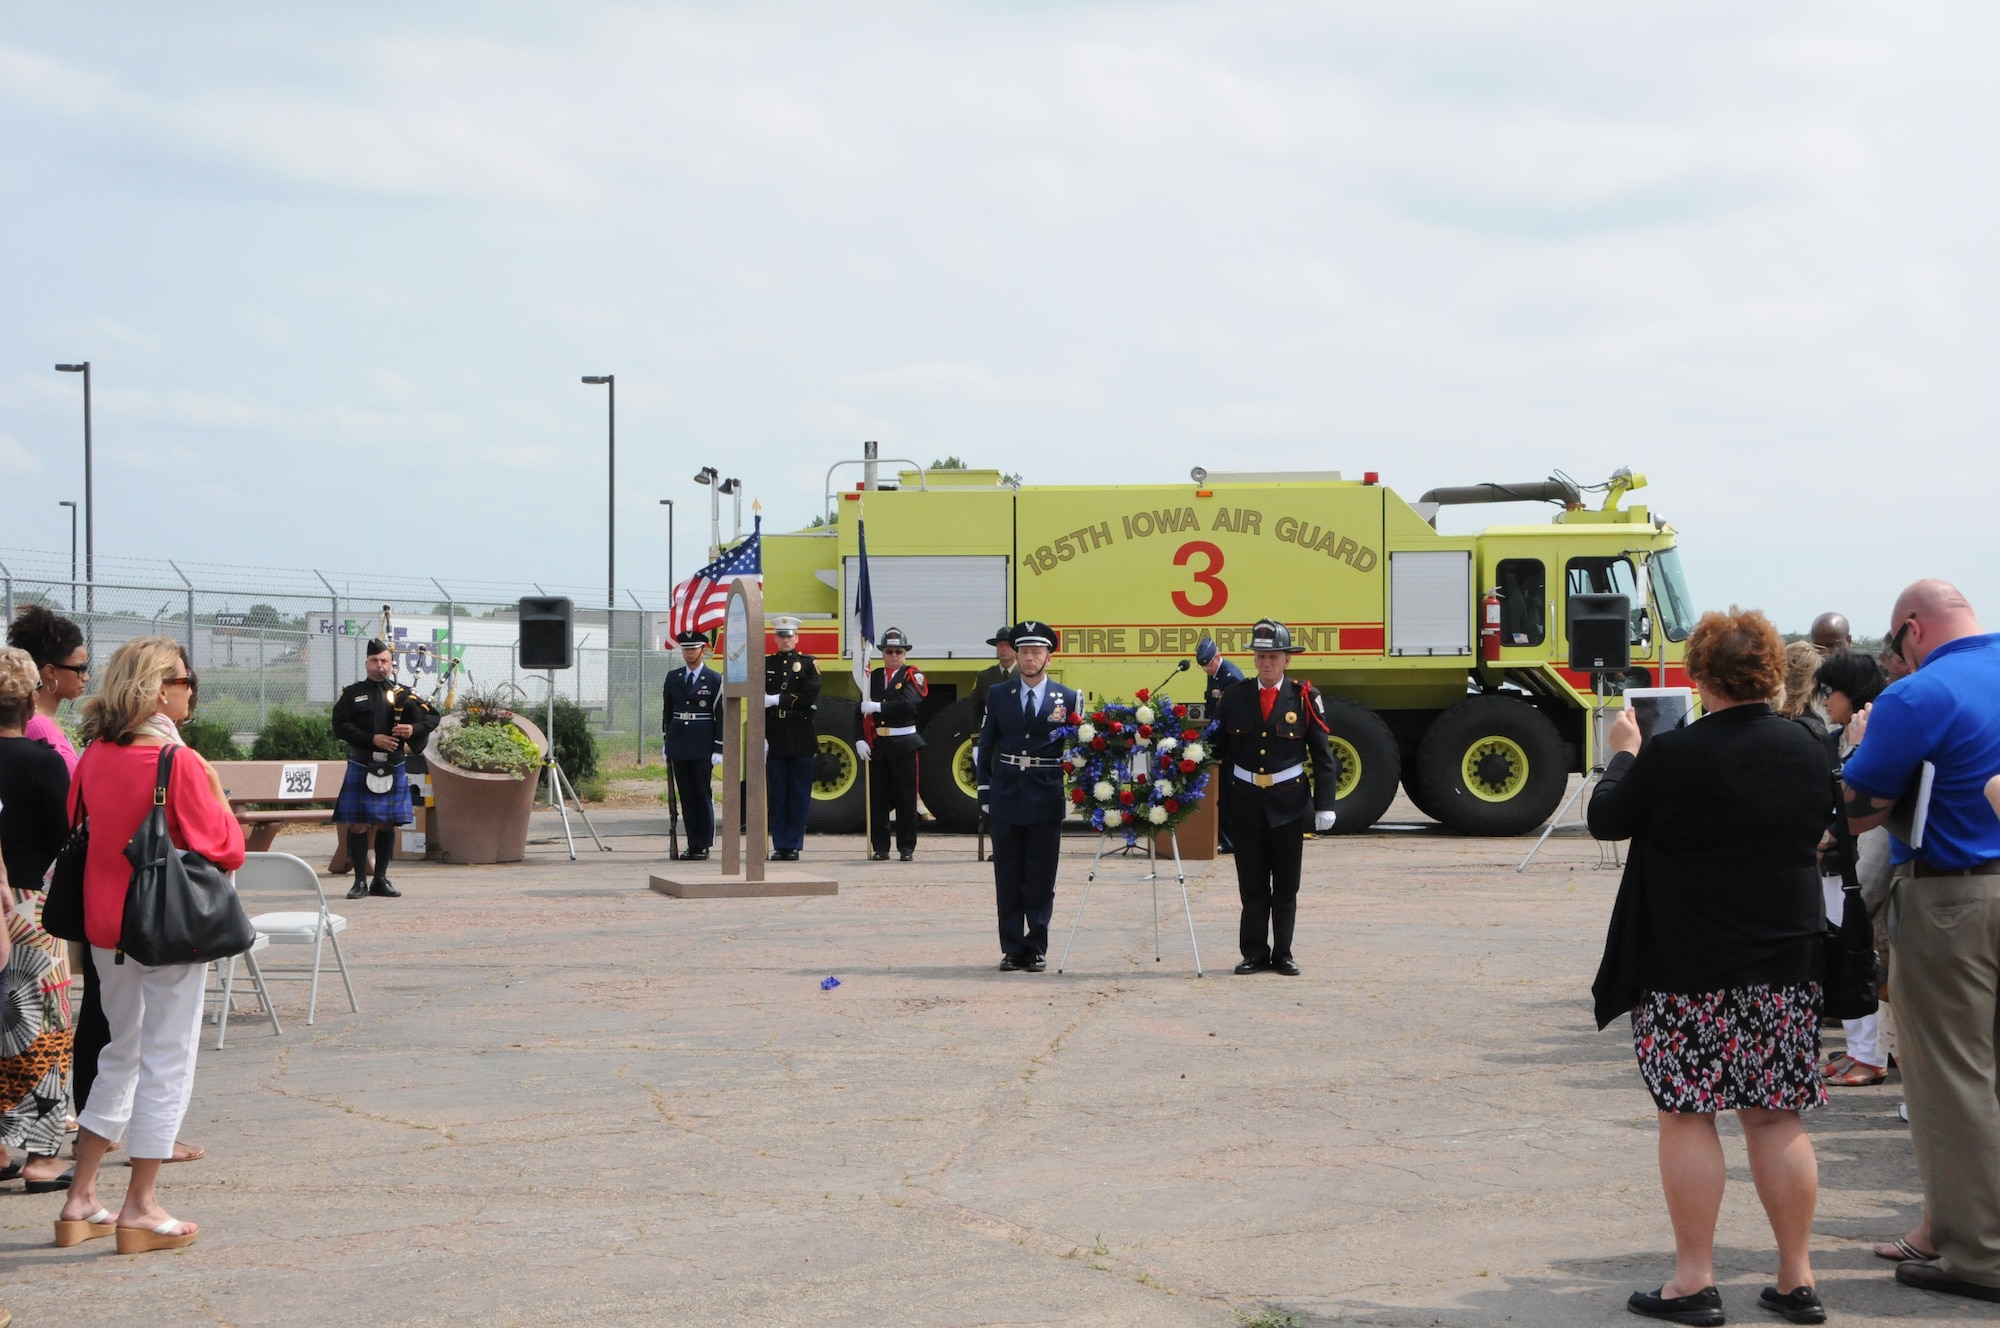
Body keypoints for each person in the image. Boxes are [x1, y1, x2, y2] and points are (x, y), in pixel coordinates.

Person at [1587, 607, 1831, 1325]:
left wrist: (1625, 751)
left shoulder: (1674, 753)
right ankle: (1797, 1276)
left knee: (1688, 1114)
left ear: (1699, 676)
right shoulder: (1808, 750)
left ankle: (1695, 1279)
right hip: (1785, 959)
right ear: (1769, 673)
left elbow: (1608, 819)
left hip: (1687, 962)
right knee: (1775, 1116)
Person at [57, 636, 246, 1253]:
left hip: (104, 926)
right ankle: (141, 1204)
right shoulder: (179, 762)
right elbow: (227, 847)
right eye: (187, 680)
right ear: (162, 688)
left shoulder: (92, 756)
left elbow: (77, 820)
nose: (192, 690)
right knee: (169, 1057)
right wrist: (206, 774)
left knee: (120, 1053)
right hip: (165, 929)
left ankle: (81, 1197)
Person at [1841, 579, 2000, 1304]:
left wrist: (1853, 755)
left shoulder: (1916, 696)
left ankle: (1979, 1252)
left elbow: (1861, 807)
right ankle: (1951, 1226)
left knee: (1951, 1081)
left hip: (1950, 895)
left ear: (1912, 628)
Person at [1208, 620, 1337, 977]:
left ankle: (1283, 952)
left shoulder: (1303, 697)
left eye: (1273, 657)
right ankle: (1253, 952)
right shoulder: (1235, 696)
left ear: (1286, 660)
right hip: (1246, 802)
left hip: (1288, 804)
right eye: (1261, 656)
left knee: (1285, 885)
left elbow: (1323, 756)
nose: (1266, 663)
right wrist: (1182, 758)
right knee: (1251, 885)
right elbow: (1215, 745)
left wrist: (1326, 805)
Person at [0, 647, 74, 1192]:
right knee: (46, 1027)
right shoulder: (41, 763)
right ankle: (43, 1156)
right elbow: (65, 840)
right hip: (28, 905)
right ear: (31, 701)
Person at [974, 622, 1079, 971]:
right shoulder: (999, 694)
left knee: (1040, 875)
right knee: (1007, 873)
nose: (1030, 658)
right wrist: (985, 789)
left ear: (1049, 656)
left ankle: (1036, 945)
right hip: (1006, 792)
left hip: (1045, 794)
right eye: (1024, 652)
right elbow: (986, 744)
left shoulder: (1067, 697)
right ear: (1016, 655)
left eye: (1037, 652)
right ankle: (1011, 948)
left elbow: (1076, 748)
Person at [1813, 649, 1892, 1088]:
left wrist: (1826, 835)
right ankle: (1863, 1049)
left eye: (1831, 692)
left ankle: (1871, 1055)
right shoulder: (1836, 735)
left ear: (1854, 692)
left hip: (1862, 867)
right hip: (1835, 867)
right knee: (1848, 956)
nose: (1825, 700)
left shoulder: (1874, 733)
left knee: (1861, 956)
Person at [330, 640, 438, 900]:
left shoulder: (404, 694)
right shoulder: (352, 694)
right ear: (367, 663)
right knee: (357, 825)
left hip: (393, 764)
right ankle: (359, 882)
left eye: (384, 661)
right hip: (362, 762)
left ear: (391, 664)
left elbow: (433, 716)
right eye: (374, 661)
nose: (380, 666)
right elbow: (340, 726)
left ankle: (380, 879)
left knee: (388, 823)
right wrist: (372, 739)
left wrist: (413, 730)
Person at [860, 627, 926, 862]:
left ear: (905, 653)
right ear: (882, 653)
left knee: (905, 797)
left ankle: (906, 847)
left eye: (899, 651)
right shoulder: (873, 677)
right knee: (878, 797)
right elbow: (859, 708)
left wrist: (879, 707)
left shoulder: (913, 675)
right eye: (889, 651)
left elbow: (909, 702)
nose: (894, 655)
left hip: (904, 742)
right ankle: (880, 846)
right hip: (879, 743)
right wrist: (860, 737)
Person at [763, 616, 821, 862]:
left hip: (800, 732)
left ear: (796, 638)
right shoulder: (766, 664)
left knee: (798, 793)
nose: (785, 640)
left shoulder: (808, 664)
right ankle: (780, 844)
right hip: (775, 732)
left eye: (789, 636)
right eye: (781, 636)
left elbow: (809, 695)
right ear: (775, 638)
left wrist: (778, 699)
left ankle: (794, 844)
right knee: (777, 793)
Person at [663, 630, 723, 861]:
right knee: (686, 796)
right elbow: (668, 712)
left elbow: (720, 715)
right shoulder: (674, 677)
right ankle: (692, 842)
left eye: (693, 648)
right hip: (679, 742)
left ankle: (704, 843)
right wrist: (666, 741)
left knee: (702, 793)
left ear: (703, 649)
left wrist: (719, 747)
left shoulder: (714, 679)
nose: (689, 653)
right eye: (686, 649)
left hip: (702, 743)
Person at [7, 605, 87, 774]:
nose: (85, 677)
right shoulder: (40, 725)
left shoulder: (42, 719)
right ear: (50, 672)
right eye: (79, 669)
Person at [1197, 637, 1245, 853]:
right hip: (1220, 737)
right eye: (1203, 666)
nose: (1206, 669)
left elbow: (1231, 715)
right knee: (1221, 794)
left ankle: (1230, 841)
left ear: (1218, 656)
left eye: (1208, 664)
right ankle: (1225, 838)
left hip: (1232, 742)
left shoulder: (1231, 676)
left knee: (1227, 795)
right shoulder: (1216, 675)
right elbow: (1213, 708)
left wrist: (1213, 740)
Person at [967, 628, 1017, 737]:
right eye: (1000, 645)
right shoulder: (985, 676)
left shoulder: (1025, 676)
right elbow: (975, 710)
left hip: (1017, 739)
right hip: (992, 739)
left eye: (1007, 645)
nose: (1003, 649)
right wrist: (976, 740)